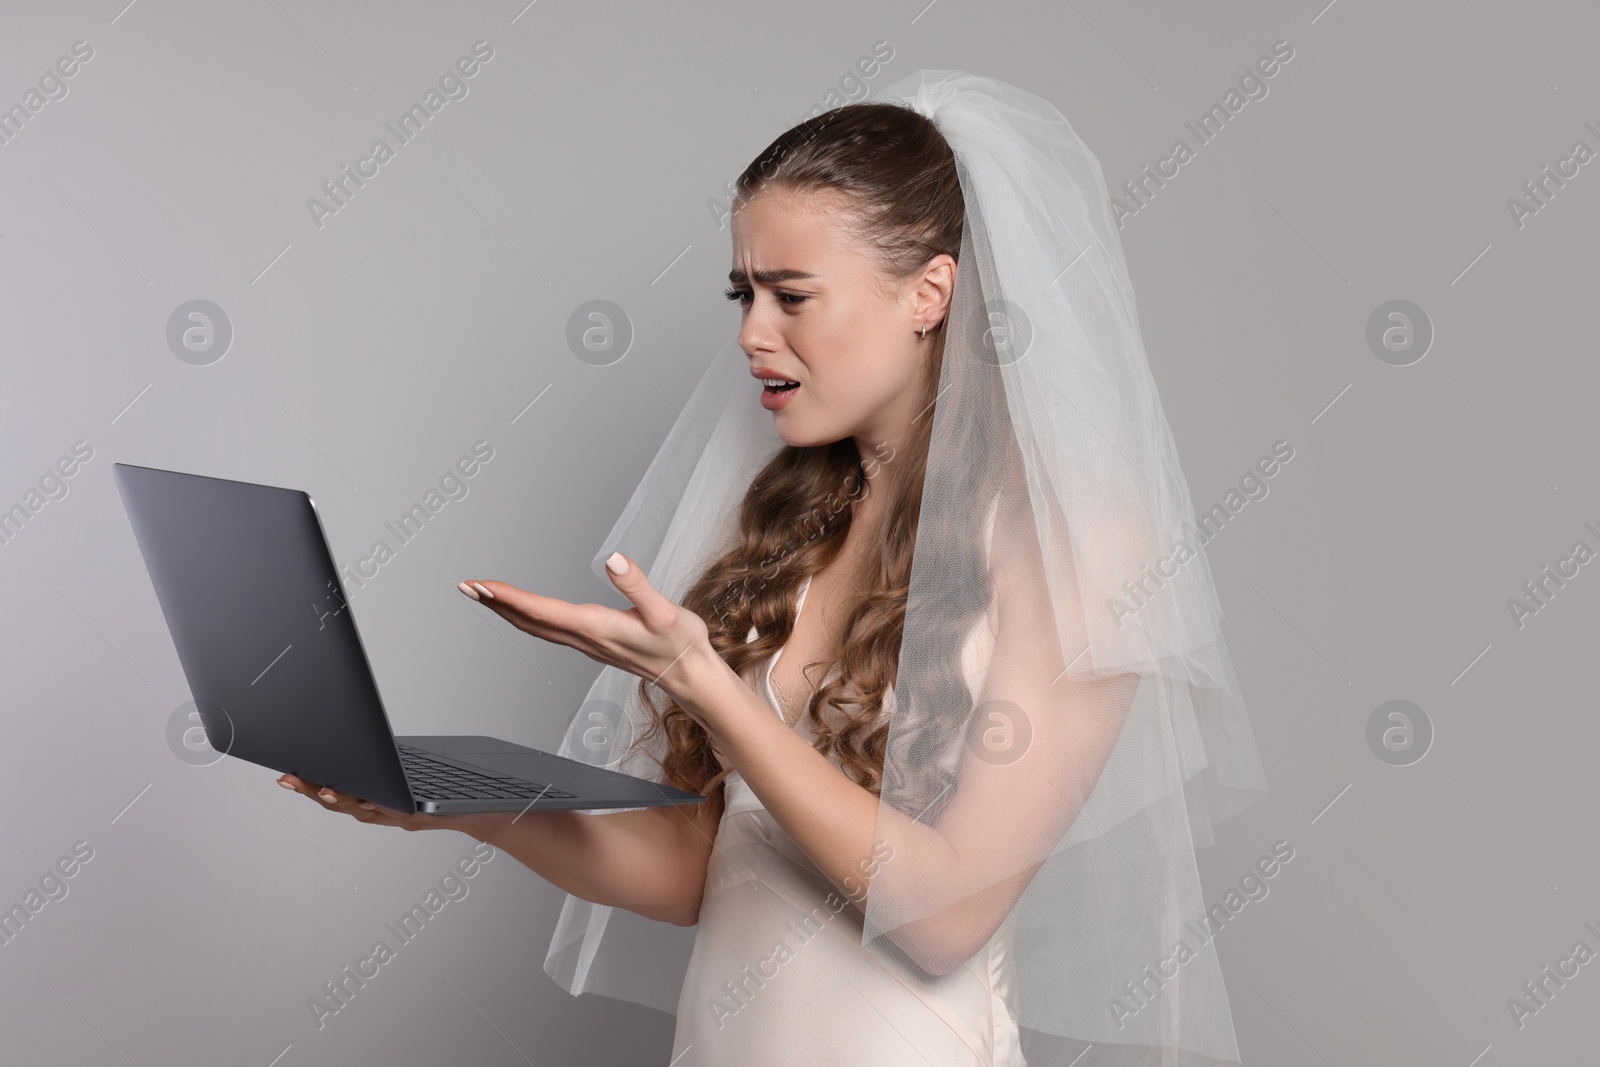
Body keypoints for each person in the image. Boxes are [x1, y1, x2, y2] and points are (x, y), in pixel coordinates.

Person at [280, 70, 1267, 1066]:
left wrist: (703, 683)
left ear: (928, 292)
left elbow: (945, 915)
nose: (754, 333)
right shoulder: (788, 525)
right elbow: (696, 867)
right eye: (744, 293)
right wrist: (466, 798)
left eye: (791, 295)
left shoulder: (1078, 543)